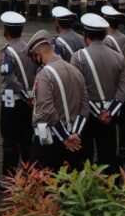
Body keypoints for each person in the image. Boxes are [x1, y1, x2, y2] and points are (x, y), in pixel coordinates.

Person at [70, 13, 125, 175]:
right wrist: (109, 112)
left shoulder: (78, 57)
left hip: (86, 115)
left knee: (84, 155)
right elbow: (124, 88)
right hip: (110, 116)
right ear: (105, 34)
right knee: (108, 155)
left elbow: (76, 90)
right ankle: (110, 189)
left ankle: (85, 190)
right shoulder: (119, 57)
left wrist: (96, 111)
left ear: (85, 35)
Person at [27, 28, 89, 172]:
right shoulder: (75, 70)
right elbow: (84, 107)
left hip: (50, 139)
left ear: (37, 54)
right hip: (73, 139)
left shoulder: (44, 74)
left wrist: (65, 137)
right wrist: (74, 134)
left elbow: (46, 111)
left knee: (38, 185)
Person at [0, 12, 36, 191]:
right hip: (30, 100)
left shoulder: (7, 52)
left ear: (6, 30)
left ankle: (7, 180)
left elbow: (9, 78)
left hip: (13, 101)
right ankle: (29, 177)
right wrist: (30, 96)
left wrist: (24, 95)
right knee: (26, 140)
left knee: (9, 140)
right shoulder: (30, 48)